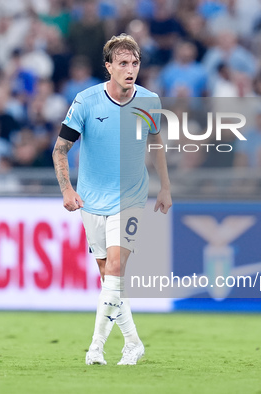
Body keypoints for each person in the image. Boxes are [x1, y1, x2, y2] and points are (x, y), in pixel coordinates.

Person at [52, 34, 171, 366]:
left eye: (135, 63)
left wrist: (165, 187)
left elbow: (156, 143)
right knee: (110, 280)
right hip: (91, 201)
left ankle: (95, 347)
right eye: (123, 63)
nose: (130, 69)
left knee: (116, 269)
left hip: (131, 197)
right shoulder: (86, 101)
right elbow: (60, 149)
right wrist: (67, 190)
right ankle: (133, 343)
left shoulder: (148, 101)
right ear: (109, 67)